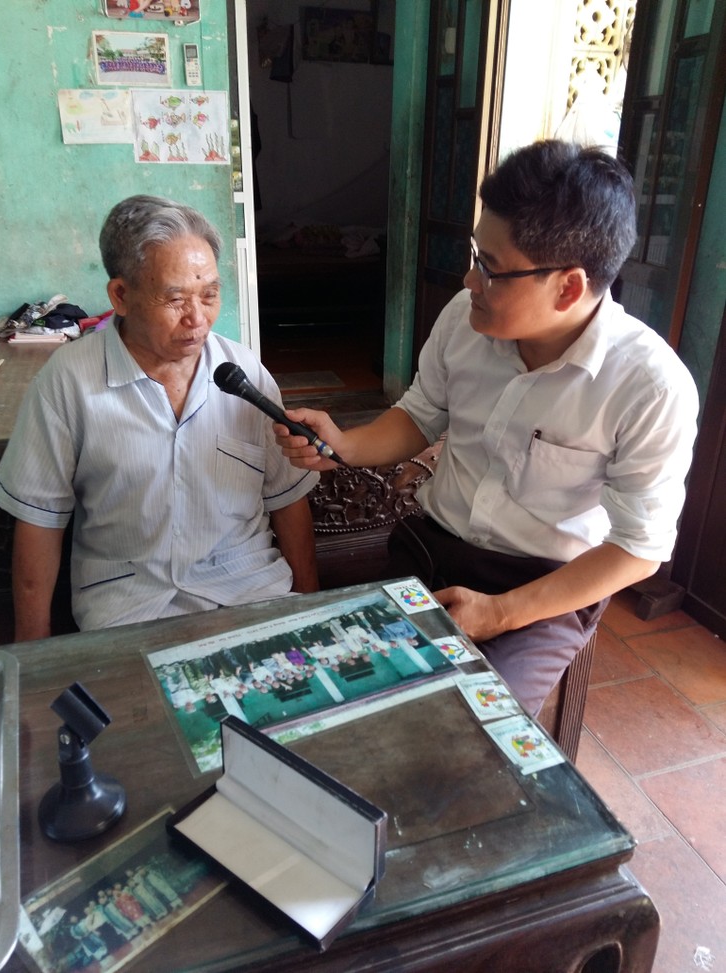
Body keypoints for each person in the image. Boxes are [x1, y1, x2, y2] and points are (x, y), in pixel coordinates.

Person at [274, 140, 699, 717]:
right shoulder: (464, 320)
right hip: (431, 547)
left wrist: (500, 613)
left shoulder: (649, 386)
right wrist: (345, 446)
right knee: (347, 699)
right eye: (477, 256)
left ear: (568, 287)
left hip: (542, 586)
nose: (470, 281)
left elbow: (638, 550)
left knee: (468, 731)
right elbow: (420, 414)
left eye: (491, 269)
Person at [0, 195, 319, 640]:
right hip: (127, 606)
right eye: (174, 299)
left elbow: (287, 497)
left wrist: (311, 607)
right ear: (121, 295)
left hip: (250, 592)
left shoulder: (245, 375)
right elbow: (39, 521)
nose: (197, 319)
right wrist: (32, 656)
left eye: (209, 295)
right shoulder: (67, 383)